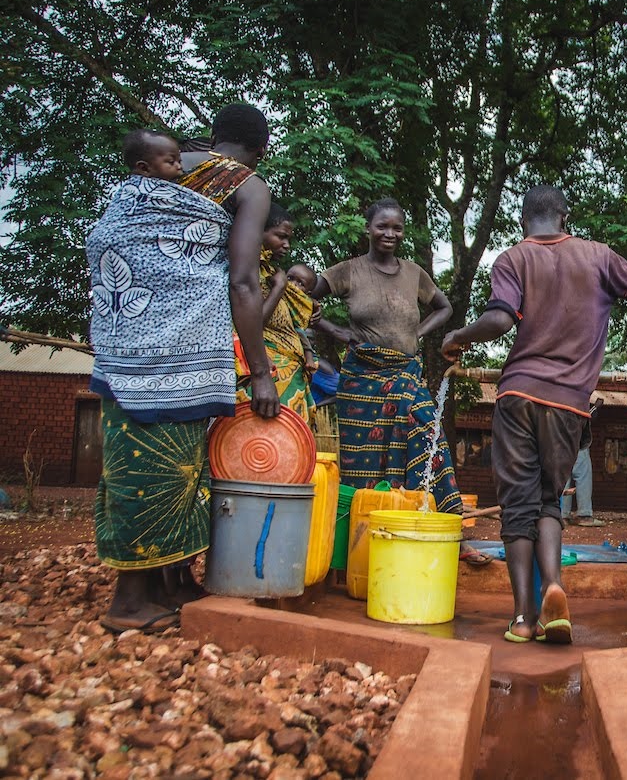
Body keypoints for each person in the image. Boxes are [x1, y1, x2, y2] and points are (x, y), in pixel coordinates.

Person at [441, 185, 627, 644]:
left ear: (523, 221)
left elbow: (498, 320)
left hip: (517, 396)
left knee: (518, 505)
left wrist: (458, 334)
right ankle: (555, 583)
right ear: (564, 217)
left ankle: (522, 617)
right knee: (550, 502)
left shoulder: (512, 259)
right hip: (569, 404)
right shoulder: (597, 256)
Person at [90, 104, 279, 633]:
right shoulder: (248, 186)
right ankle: (129, 603)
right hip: (183, 343)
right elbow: (242, 282)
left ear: (211, 138)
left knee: (145, 465)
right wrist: (261, 371)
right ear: (260, 150)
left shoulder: (164, 165)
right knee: (172, 469)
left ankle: (168, 585)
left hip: (123, 335)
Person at [311, 197, 462, 510]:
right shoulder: (348, 271)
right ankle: (360, 531)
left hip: (405, 372)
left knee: (426, 429)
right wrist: (334, 330)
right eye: (382, 226)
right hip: (361, 381)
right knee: (361, 461)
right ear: (368, 228)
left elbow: (444, 307)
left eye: (397, 228)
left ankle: (440, 517)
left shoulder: (414, 274)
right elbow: (302, 297)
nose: (389, 233)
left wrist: (416, 332)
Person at [234, 203, 318, 423]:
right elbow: (251, 323)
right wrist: (279, 289)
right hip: (267, 377)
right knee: (265, 448)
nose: (286, 245)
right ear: (258, 231)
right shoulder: (246, 271)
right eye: (281, 236)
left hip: (287, 376)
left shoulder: (269, 271)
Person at [562, 398, 604, 527]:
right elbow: (587, 417)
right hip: (577, 444)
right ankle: (584, 515)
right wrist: (596, 406)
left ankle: (562, 515)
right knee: (583, 477)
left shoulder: (559, 397)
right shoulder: (578, 398)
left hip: (560, 444)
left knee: (563, 478)